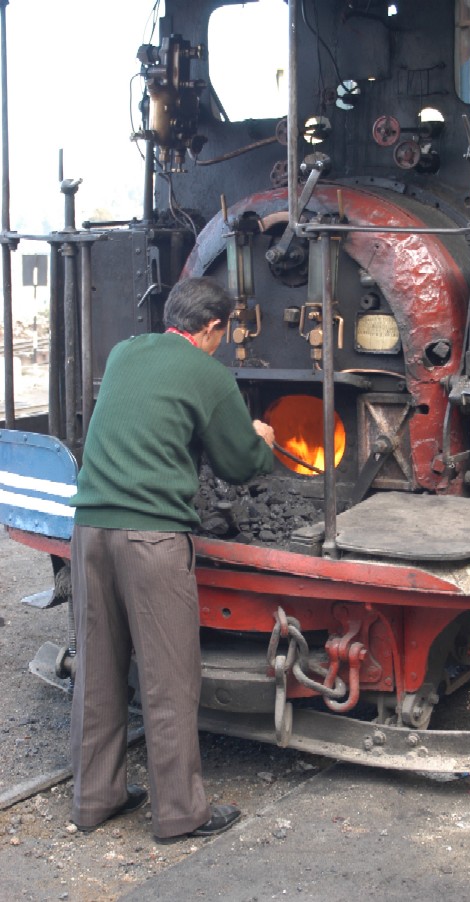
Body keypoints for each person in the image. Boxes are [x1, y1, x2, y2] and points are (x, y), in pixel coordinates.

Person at [69, 275, 275, 843]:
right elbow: (237, 463)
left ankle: (95, 798)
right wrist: (261, 436)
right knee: (167, 677)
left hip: (88, 531)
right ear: (211, 327)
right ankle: (182, 813)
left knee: (98, 670)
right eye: (225, 332)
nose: (224, 342)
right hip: (151, 540)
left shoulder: (124, 350)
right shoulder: (207, 372)